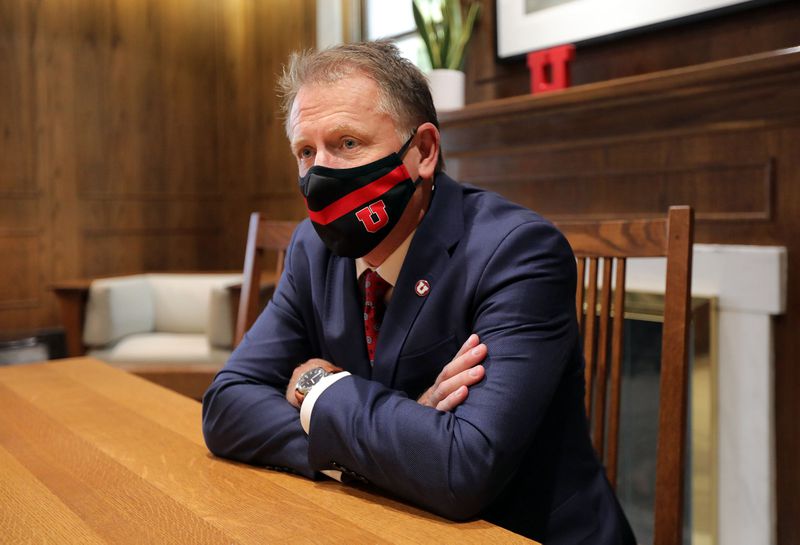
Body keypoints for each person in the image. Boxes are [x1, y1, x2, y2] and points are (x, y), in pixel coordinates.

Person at [202, 41, 635, 544]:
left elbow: (463, 469)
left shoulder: (518, 252)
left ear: (423, 152)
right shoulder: (311, 249)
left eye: (347, 144)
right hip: (387, 523)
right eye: (305, 151)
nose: (320, 174)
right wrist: (387, 453)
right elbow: (225, 406)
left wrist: (313, 387)